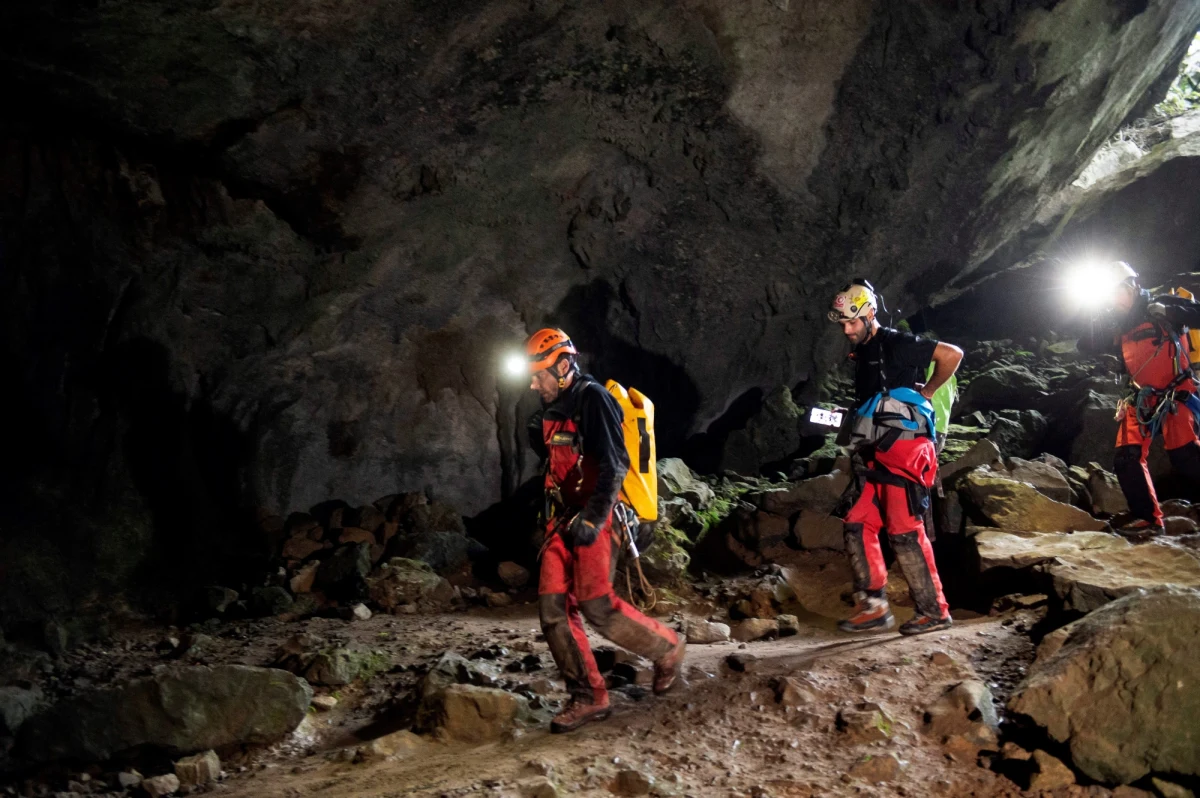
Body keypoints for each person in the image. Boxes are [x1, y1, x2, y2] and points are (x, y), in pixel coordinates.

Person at [523, 328, 685, 733]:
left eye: (539, 375)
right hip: (564, 518)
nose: (533, 384)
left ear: (564, 365)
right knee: (552, 610)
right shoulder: (550, 409)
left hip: (602, 512)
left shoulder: (593, 399)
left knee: (596, 604)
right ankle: (588, 696)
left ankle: (667, 648)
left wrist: (594, 519)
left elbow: (615, 464)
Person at [829, 280, 963, 634]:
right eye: (843, 323)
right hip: (874, 452)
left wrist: (928, 392)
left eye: (852, 322)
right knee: (857, 522)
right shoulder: (863, 352)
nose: (847, 330)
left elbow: (951, 354)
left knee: (904, 530)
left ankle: (934, 611)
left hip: (905, 450)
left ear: (870, 314)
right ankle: (873, 607)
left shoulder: (895, 342)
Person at [1078, 262, 1200, 536]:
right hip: (1140, 398)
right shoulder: (1116, 322)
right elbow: (1084, 344)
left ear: (1133, 286)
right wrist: (1095, 317)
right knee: (1126, 458)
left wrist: (1172, 312)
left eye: (1116, 292)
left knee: (1186, 457)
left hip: (1176, 394)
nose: (1113, 299)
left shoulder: (1163, 304)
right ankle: (1148, 519)